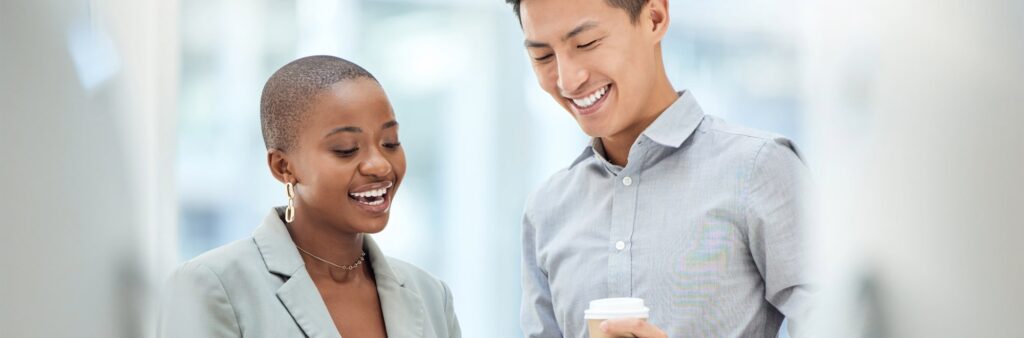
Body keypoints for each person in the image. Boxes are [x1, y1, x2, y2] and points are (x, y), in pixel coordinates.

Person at [505, 0, 813, 337]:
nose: (568, 80)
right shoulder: (547, 209)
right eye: (543, 57)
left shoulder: (760, 169)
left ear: (655, 17)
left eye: (586, 44)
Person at [158, 55, 461, 338]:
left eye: (390, 143)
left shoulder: (432, 295)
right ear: (284, 167)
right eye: (346, 149)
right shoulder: (212, 285)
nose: (379, 165)